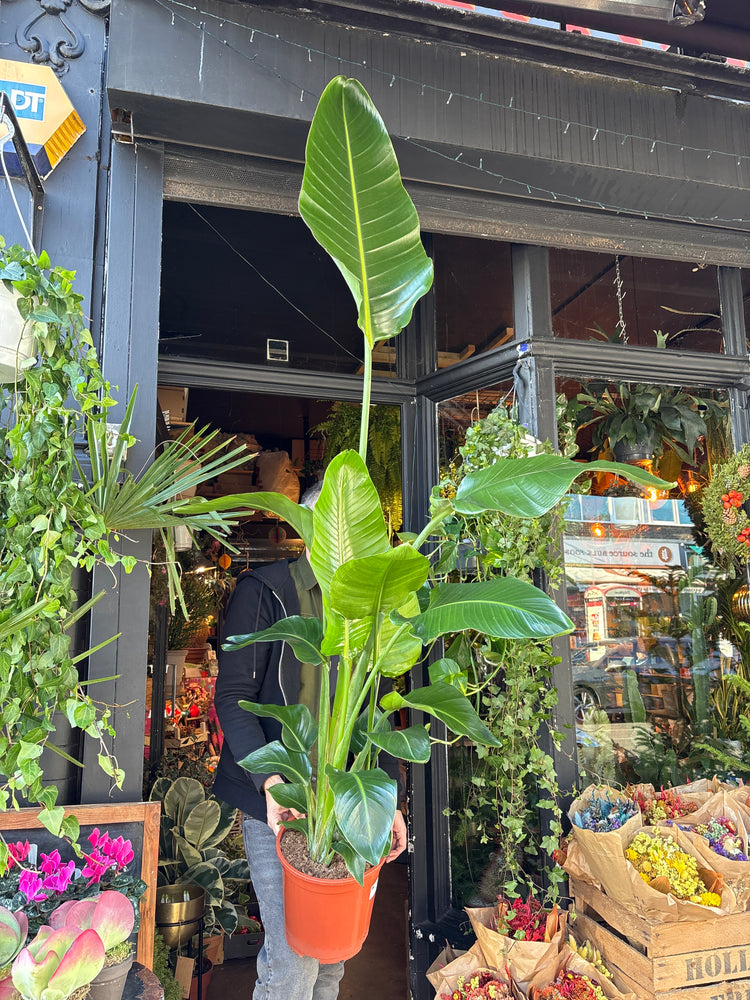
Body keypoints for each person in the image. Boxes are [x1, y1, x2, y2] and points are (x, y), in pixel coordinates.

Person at [213, 482, 407, 1000]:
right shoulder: (267, 591)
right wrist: (271, 781)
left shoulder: (370, 609)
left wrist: (386, 800)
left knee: (332, 957)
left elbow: (376, 712)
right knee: (293, 961)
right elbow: (233, 698)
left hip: (345, 804)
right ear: (311, 530)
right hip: (280, 804)